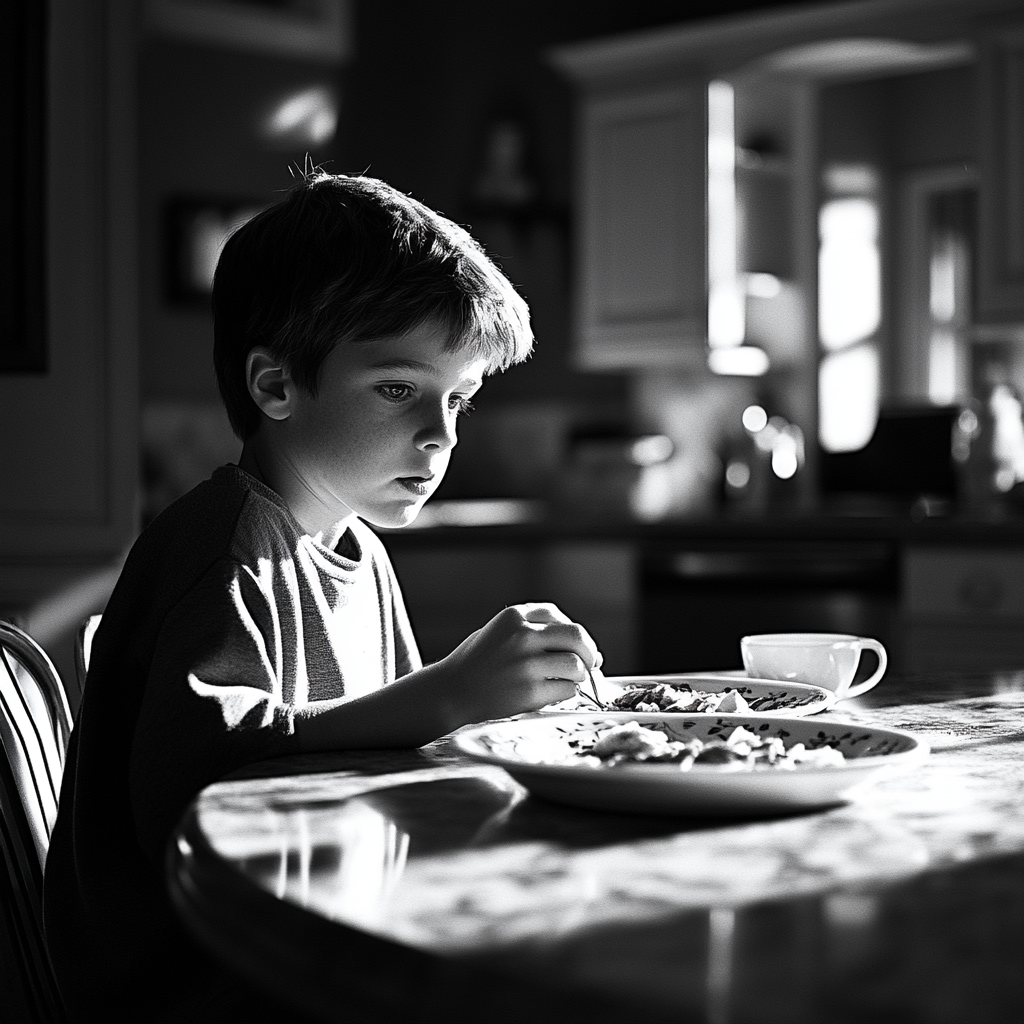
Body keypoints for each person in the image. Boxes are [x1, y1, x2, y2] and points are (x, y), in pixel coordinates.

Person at [43, 171, 602, 1023]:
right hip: (202, 983)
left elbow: (406, 751)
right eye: (398, 389)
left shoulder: (362, 552)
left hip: (315, 934)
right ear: (274, 387)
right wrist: (451, 688)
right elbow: (198, 785)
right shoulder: (220, 541)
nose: (440, 435)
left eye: (459, 399)